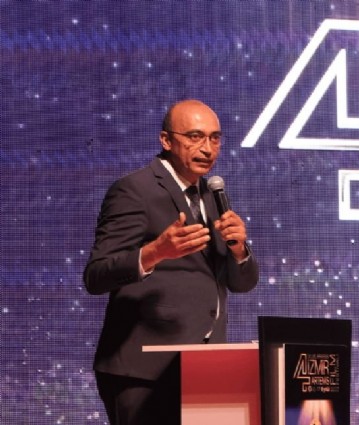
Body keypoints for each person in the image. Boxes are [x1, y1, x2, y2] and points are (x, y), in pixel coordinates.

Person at [84, 99, 259, 424]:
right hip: (144, 372)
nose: (207, 148)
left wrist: (239, 250)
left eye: (215, 138)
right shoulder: (134, 190)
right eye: (195, 136)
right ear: (166, 140)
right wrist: (155, 252)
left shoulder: (212, 196)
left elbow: (241, 283)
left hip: (205, 367)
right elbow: (96, 275)